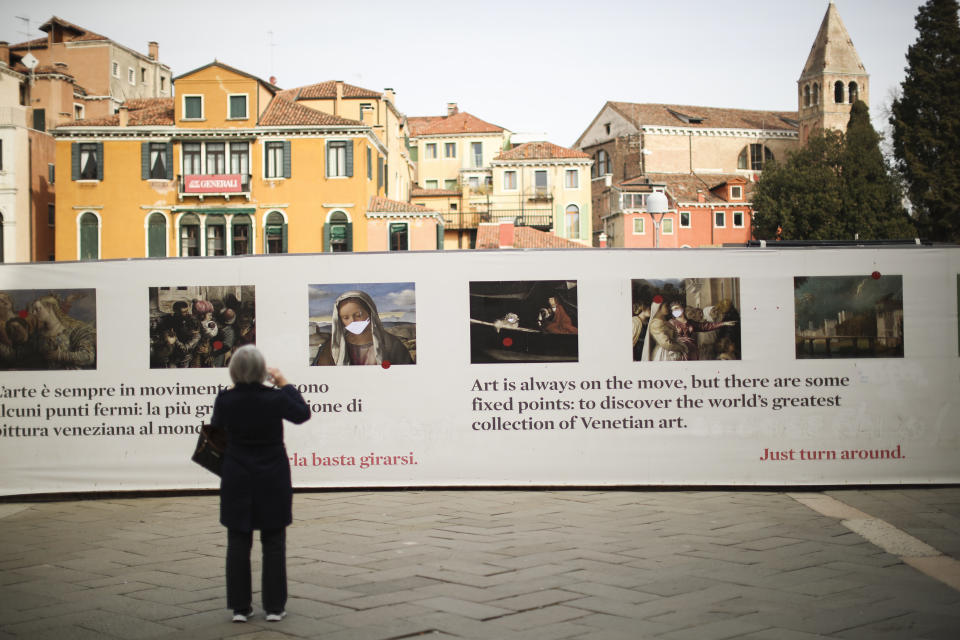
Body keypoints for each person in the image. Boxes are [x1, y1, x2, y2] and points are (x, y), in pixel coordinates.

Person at [211, 345, 311, 623]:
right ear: (261, 371)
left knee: (238, 542)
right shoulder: (275, 399)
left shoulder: (225, 400)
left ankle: (241, 608)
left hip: (236, 475)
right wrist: (284, 383)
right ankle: (275, 607)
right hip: (272, 475)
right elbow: (302, 414)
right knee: (274, 540)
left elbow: (216, 434)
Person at [312, 290, 413, 366]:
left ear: (370, 313)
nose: (352, 321)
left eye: (358, 315)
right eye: (346, 318)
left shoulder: (392, 344)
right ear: (340, 321)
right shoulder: (332, 347)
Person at [665, 301, 737, 361]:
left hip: (692, 349)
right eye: (673, 309)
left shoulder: (690, 322)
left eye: (677, 308)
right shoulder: (671, 322)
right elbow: (668, 338)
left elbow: (705, 326)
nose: (675, 310)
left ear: (682, 308)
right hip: (680, 350)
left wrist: (723, 323)